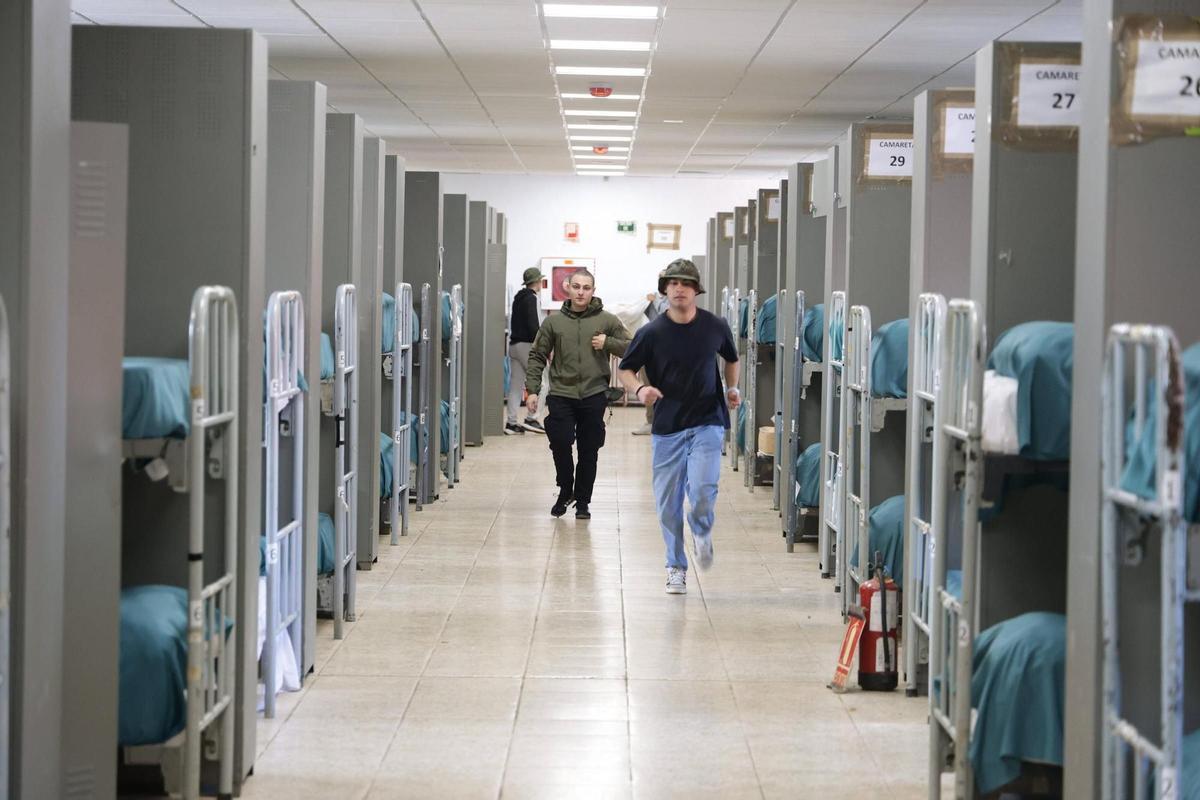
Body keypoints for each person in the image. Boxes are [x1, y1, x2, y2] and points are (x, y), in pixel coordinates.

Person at [617, 259, 740, 595]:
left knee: (702, 490)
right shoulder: (651, 333)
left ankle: (701, 530)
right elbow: (625, 370)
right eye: (672, 284)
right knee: (668, 503)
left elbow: (731, 357)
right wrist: (640, 389)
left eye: (685, 284)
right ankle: (675, 565)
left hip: (708, 422)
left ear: (696, 290)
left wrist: (732, 388)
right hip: (668, 427)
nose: (679, 289)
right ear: (665, 290)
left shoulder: (715, 326)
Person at [526, 268, 631, 520]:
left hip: (594, 394)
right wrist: (532, 390)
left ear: (593, 291)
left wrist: (608, 343)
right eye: (576, 286)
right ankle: (565, 489)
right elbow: (537, 355)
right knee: (560, 443)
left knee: (589, 449)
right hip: (561, 393)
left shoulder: (607, 320)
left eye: (586, 287)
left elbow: (633, 346)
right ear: (568, 289)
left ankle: (582, 500)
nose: (581, 292)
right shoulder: (553, 322)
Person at [507, 267, 548, 435]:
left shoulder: (518, 297)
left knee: (516, 386)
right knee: (543, 383)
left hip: (514, 345)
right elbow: (533, 325)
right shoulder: (531, 298)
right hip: (527, 345)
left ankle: (511, 423)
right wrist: (542, 345)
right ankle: (532, 417)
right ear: (537, 282)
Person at [632, 288, 670, 436]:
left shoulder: (671, 302)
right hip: (650, 351)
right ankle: (650, 422)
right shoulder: (652, 300)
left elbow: (666, 315)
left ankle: (666, 422)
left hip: (668, 352)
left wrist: (656, 301)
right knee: (648, 385)